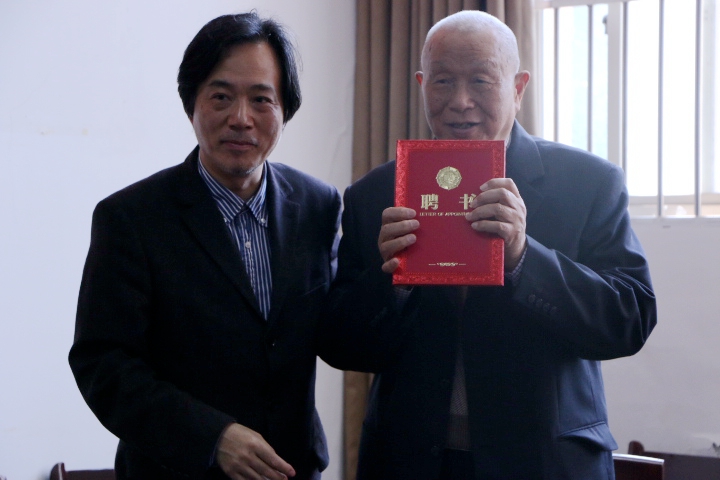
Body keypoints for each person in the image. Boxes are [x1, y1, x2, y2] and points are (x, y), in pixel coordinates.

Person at [318, 10, 656, 480]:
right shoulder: (374, 195)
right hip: (410, 463)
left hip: (542, 464)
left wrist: (523, 257)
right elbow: (339, 345)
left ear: (518, 88)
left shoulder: (587, 184)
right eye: (442, 81)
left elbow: (629, 320)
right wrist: (390, 281)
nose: (461, 102)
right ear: (421, 85)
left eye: (480, 80)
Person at [69, 12, 341, 480]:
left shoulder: (318, 205)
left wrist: (393, 274)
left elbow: (336, 333)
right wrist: (213, 437)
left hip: (291, 468)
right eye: (221, 97)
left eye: (261, 99)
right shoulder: (131, 218)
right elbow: (103, 365)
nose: (241, 118)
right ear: (191, 104)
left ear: (285, 110)